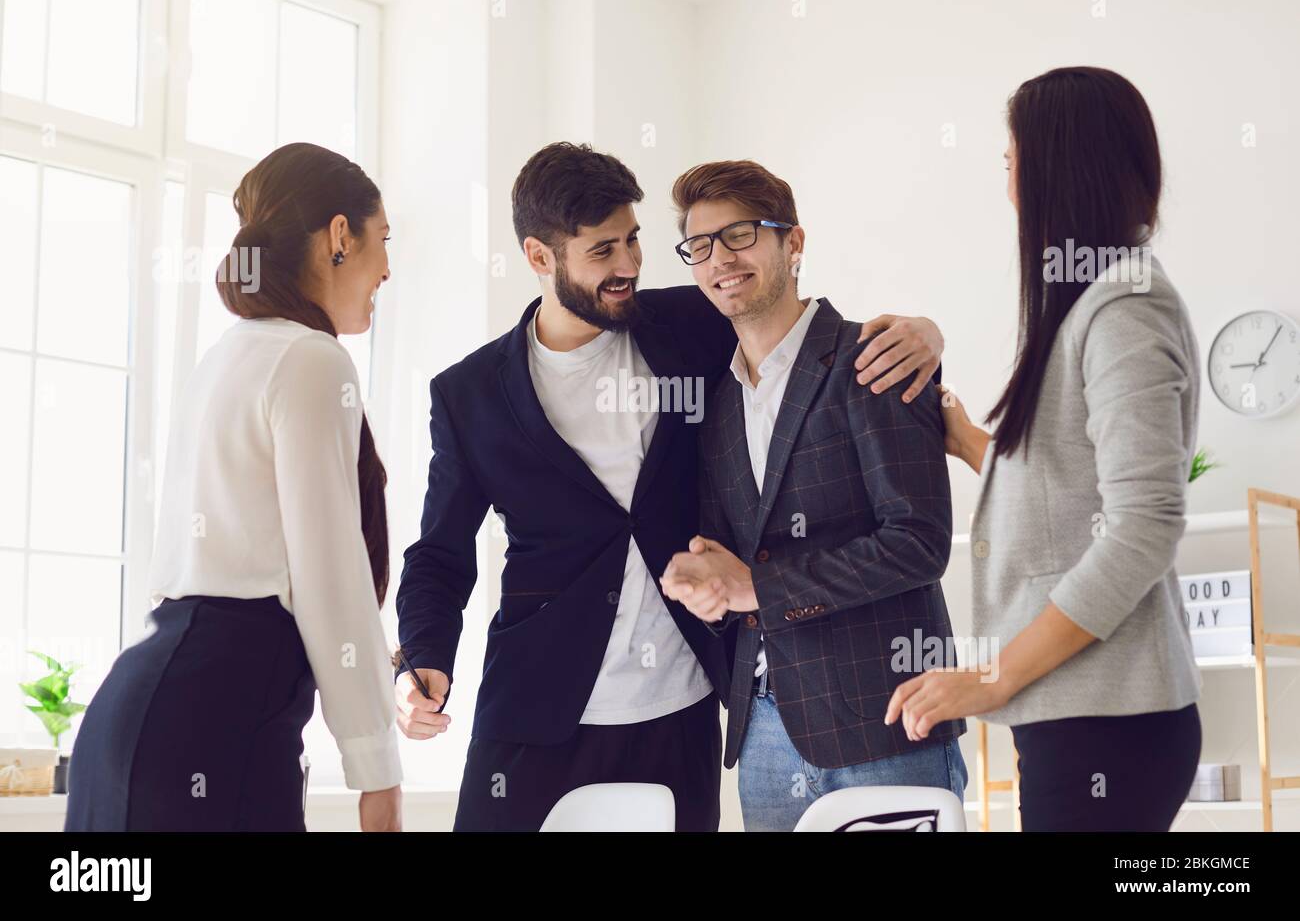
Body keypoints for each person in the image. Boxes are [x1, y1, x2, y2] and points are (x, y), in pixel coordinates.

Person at [393, 141, 947, 831]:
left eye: (633, 241)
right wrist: (419, 661)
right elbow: (438, 556)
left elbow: (802, 341)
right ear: (540, 258)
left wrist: (924, 332)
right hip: (534, 711)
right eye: (602, 252)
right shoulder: (468, 395)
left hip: (681, 707)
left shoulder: (693, 325)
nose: (627, 267)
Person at [884, 67, 1203, 832]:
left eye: (1010, 161)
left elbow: (1144, 524)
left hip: (1109, 726)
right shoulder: (1097, 300)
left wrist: (991, 679)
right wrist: (962, 436)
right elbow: (1076, 489)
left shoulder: (1123, 308)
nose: (1008, 185)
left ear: (1057, 166)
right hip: (1086, 715)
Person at [65, 143, 403, 832]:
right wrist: (378, 777)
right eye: (383, 241)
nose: (388, 269)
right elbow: (329, 578)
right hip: (214, 726)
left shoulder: (226, 357)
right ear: (341, 236)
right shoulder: (312, 360)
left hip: (132, 720)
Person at [659, 160, 966, 831]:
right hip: (764, 731)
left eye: (739, 235)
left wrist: (756, 590)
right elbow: (734, 565)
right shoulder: (715, 406)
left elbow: (918, 544)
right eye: (700, 246)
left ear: (793, 244)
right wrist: (710, 589)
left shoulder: (877, 359)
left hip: (885, 720)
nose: (719, 259)